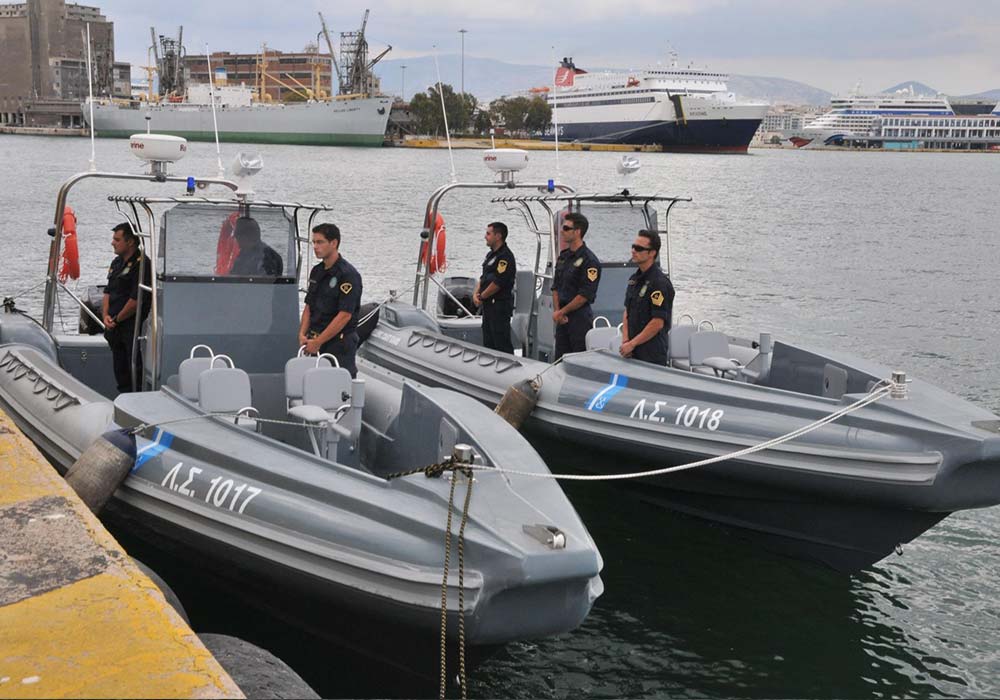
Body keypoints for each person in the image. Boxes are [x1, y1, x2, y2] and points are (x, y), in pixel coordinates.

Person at [299, 223, 363, 377]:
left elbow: (344, 315)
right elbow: (309, 306)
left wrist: (319, 341)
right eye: (313, 242)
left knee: (336, 387)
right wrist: (302, 334)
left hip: (338, 344)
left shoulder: (348, 275)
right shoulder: (317, 272)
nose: (315, 246)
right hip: (314, 339)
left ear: (334, 243)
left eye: (320, 242)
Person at [102, 222, 151, 393]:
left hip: (132, 328)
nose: (112, 243)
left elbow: (135, 301)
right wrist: (105, 316)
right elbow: (108, 291)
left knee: (134, 371)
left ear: (130, 242)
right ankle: (122, 397)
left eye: (117, 239)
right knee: (120, 371)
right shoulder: (116, 263)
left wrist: (116, 319)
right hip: (115, 328)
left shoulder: (142, 264)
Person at [551, 212, 601, 360]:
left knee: (578, 359)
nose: (562, 231)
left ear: (577, 232)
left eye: (566, 228)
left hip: (578, 318)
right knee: (560, 359)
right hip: (562, 318)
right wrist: (558, 311)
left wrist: (562, 312)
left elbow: (584, 295)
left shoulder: (589, 261)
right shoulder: (563, 257)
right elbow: (555, 287)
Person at [620, 230, 674, 365]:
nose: (633, 251)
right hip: (632, 351)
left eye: (639, 248)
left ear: (652, 253)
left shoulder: (659, 283)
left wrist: (632, 343)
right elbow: (627, 311)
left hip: (651, 354)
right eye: (633, 246)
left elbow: (657, 322)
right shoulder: (634, 279)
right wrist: (626, 341)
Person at [472, 221, 516, 353]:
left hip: (499, 307)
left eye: (488, 233)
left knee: (501, 342)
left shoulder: (505, 257)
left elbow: (498, 283)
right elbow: (484, 277)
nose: (485, 236)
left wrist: (482, 296)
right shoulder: (490, 255)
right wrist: (476, 293)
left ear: (498, 236)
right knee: (489, 341)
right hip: (488, 306)